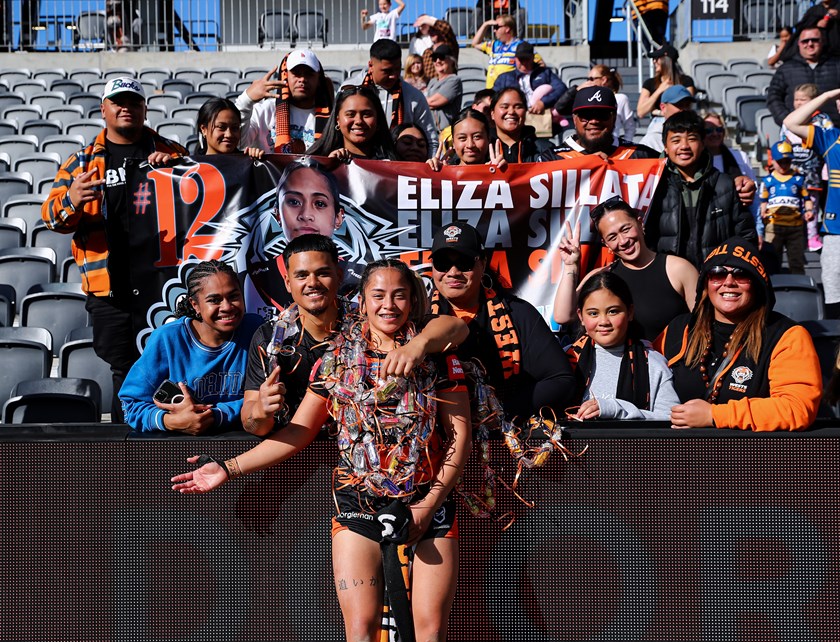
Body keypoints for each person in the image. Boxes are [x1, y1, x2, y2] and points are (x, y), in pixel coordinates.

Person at [172, 259, 472, 642]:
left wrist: (429, 504)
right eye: (378, 295)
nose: (389, 305)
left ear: (412, 301)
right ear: (361, 303)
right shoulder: (334, 361)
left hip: (430, 502)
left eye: (399, 296)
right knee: (360, 630)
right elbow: (298, 432)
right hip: (356, 503)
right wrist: (227, 468)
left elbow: (459, 438)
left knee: (429, 630)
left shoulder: (438, 355)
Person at [41, 77, 186, 423]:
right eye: (118, 102)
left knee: (173, 365)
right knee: (125, 370)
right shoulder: (81, 162)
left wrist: (177, 172)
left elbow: (201, 208)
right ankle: (128, 445)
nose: (126, 108)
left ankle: (172, 439)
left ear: (144, 109)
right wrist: (72, 200)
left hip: (163, 283)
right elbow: (50, 218)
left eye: (133, 102)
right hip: (110, 285)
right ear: (103, 109)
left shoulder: (171, 152)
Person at [242, 235, 468, 438]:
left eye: (322, 273)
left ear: (339, 276)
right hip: (295, 454)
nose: (312, 283)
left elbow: (457, 327)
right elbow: (253, 425)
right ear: (287, 282)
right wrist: (261, 413)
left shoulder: (368, 321)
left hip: (364, 457)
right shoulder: (270, 340)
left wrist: (419, 344)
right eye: (302, 275)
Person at [659, 237, 822, 431]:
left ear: (757, 283)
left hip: (751, 456)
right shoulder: (680, 328)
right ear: (706, 283)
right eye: (717, 274)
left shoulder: (787, 336)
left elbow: (796, 408)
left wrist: (714, 415)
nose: (728, 282)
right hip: (680, 454)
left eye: (741, 274)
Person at [429, 222, 576, 419]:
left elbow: (561, 379)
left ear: (482, 263)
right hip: (435, 440)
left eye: (464, 262)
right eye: (442, 263)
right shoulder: (416, 317)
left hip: (503, 439)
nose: (453, 272)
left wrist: (500, 412)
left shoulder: (518, 314)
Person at [119, 260, 262, 433]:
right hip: (179, 448)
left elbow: (267, 397)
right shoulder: (167, 338)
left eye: (233, 296)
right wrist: (171, 421)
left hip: (245, 446)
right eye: (214, 300)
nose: (227, 307)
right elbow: (130, 405)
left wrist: (216, 415)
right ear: (196, 305)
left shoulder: (257, 330)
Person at [553, 196, 698, 342]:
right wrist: (571, 266)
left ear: (640, 224)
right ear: (606, 244)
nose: (623, 241)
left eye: (626, 229)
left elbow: (705, 323)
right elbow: (563, 316)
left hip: (673, 363)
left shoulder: (679, 269)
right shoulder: (602, 276)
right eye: (612, 237)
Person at [646, 111, 757, 269]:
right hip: (667, 280)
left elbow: (746, 237)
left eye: (692, 139)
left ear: (703, 142)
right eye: (676, 140)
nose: (684, 146)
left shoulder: (725, 185)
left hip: (715, 278)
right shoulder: (654, 185)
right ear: (665, 146)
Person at [566, 271, 680, 420]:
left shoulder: (653, 364)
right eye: (593, 313)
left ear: (630, 312)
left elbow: (670, 420)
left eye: (613, 311)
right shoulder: (566, 359)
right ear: (581, 316)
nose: (604, 321)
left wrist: (617, 409)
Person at [783, 86, 840, 318]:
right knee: (834, 296)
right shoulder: (831, 138)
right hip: (836, 231)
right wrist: (827, 95)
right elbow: (791, 122)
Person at [345, 39, 439, 156]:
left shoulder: (414, 97)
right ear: (371, 65)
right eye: (387, 71)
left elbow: (430, 140)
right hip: (356, 166)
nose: (394, 75)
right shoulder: (348, 91)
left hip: (398, 169)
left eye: (397, 69)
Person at [235, 49, 334, 154]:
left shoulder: (329, 117)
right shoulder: (266, 110)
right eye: (296, 73)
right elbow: (239, 143)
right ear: (286, 76)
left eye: (309, 74)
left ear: (318, 79)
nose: (302, 79)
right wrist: (246, 100)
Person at [780, 82, 833, 252]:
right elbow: (783, 142)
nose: (799, 103)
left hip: (814, 171)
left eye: (803, 100)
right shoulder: (789, 119)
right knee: (795, 203)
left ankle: (812, 236)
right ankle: (795, 235)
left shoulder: (822, 120)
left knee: (812, 205)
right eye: (796, 100)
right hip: (793, 169)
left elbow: (830, 144)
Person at [554, 86, 659, 160]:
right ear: (574, 119)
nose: (594, 121)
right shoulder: (551, 160)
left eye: (602, 115)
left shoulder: (643, 157)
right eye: (585, 115)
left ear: (614, 118)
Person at [767, 27, 840, 127]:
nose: (810, 44)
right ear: (799, 43)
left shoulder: (836, 65)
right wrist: (787, 120)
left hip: (833, 131)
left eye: (815, 40)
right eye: (805, 41)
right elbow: (773, 97)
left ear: (822, 41)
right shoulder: (786, 68)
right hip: (797, 133)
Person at [759, 141, 813, 275]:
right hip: (773, 226)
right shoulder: (768, 181)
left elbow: (807, 199)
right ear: (773, 161)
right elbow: (763, 201)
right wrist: (763, 212)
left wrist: (809, 211)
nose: (784, 165)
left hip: (795, 227)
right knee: (772, 260)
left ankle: (799, 288)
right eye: (780, 161)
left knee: (796, 261)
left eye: (787, 161)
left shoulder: (799, 179)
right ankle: (772, 289)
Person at [307, 84, 397, 161]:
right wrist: (327, 167)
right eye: (350, 114)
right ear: (337, 120)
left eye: (367, 114)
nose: (359, 121)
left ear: (378, 119)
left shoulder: (394, 165)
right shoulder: (314, 161)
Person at [492, 41, 567, 117]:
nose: (524, 62)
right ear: (515, 58)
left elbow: (561, 88)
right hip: (514, 116)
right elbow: (494, 97)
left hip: (541, 116)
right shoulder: (504, 78)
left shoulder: (545, 73)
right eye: (521, 59)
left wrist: (543, 102)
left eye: (527, 59)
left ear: (533, 58)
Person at [489, 86, 555, 163]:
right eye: (505, 107)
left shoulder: (545, 149)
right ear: (492, 113)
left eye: (518, 107)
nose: (511, 112)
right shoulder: (482, 149)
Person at [427, 108, 507, 169]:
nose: (470, 145)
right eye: (462, 138)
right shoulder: (442, 172)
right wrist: (429, 172)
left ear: (488, 138)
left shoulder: (500, 170)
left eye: (477, 137)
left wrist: (501, 174)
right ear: (453, 142)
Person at [636, 44, 696, 119]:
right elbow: (640, 112)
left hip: (681, 120)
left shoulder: (686, 81)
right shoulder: (650, 83)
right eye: (653, 59)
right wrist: (659, 90)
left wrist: (656, 111)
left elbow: (688, 107)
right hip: (658, 121)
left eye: (657, 58)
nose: (654, 61)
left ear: (666, 59)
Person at [195, 97, 264, 158]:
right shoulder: (192, 168)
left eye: (235, 128)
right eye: (221, 127)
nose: (229, 134)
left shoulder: (249, 162)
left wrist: (257, 163)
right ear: (204, 129)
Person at [471, 13, 523, 89]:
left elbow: (540, 64)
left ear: (507, 29)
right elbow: (475, 43)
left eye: (497, 27)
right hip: (491, 91)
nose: (494, 30)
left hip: (508, 91)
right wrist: (485, 24)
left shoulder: (521, 45)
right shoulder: (493, 45)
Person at [639, 84, 695, 153]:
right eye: (679, 105)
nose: (684, 109)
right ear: (663, 107)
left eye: (687, 105)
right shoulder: (651, 141)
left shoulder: (699, 135)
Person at [425, 45, 463, 132]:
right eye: (434, 58)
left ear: (452, 61)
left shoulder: (454, 80)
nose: (438, 61)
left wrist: (424, 102)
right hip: (430, 130)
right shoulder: (432, 81)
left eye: (441, 57)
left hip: (446, 131)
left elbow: (433, 102)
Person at [414, 14, 460, 81]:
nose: (431, 33)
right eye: (430, 31)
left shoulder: (450, 46)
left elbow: (446, 28)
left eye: (435, 30)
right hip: (431, 88)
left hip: (448, 84)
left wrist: (426, 19)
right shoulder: (426, 53)